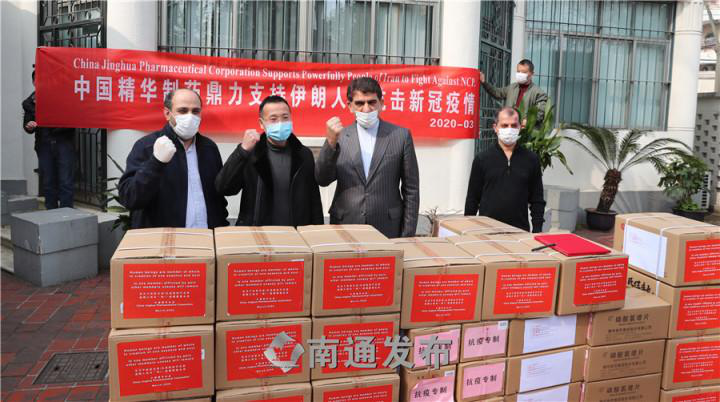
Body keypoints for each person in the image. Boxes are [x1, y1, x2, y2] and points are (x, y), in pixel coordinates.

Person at [316, 77, 419, 238]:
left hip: (388, 226)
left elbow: (411, 189)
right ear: (350, 106)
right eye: (359, 103)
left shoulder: (400, 136)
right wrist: (330, 143)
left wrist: (407, 235)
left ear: (381, 103)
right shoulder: (339, 136)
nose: (366, 109)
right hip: (346, 223)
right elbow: (322, 179)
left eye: (372, 102)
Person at [119, 88, 228, 229]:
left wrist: (220, 229)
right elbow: (130, 198)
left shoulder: (209, 148)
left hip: (205, 237)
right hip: (165, 239)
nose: (190, 117)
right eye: (183, 111)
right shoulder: (147, 146)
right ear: (167, 113)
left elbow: (217, 198)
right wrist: (156, 162)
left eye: (195, 111)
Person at [215, 95, 323, 226]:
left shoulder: (303, 154)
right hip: (258, 232)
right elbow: (224, 188)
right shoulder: (251, 153)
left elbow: (314, 200)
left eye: (285, 118)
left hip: (295, 233)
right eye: (273, 119)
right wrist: (242, 151)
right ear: (261, 123)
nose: (280, 123)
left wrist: (316, 231)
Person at [464, 107, 546, 233]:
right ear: (495, 127)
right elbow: (472, 199)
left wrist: (537, 230)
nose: (509, 129)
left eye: (514, 125)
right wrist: (467, 230)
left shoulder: (531, 159)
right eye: (504, 125)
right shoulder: (482, 159)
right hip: (486, 232)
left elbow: (537, 199)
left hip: (520, 231)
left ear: (520, 127)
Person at [22, 69, 76, 209]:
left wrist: (53, 124)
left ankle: (67, 214)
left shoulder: (62, 97)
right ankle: (51, 213)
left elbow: (72, 121)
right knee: (48, 182)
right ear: (33, 82)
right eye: (37, 79)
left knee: (65, 181)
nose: (40, 82)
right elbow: (27, 125)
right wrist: (29, 126)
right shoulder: (29, 102)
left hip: (63, 143)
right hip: (44, 145)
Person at [479, 59, 549, 124]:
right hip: (509, 126)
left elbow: (540, 114)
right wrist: (484, 82)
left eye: (524, 72)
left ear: (532, 74)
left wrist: (527, 122)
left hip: (525, 130)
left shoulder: (539, 93)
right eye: (518, 71)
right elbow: (497, 93)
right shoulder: (512, 87)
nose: (520, 74)